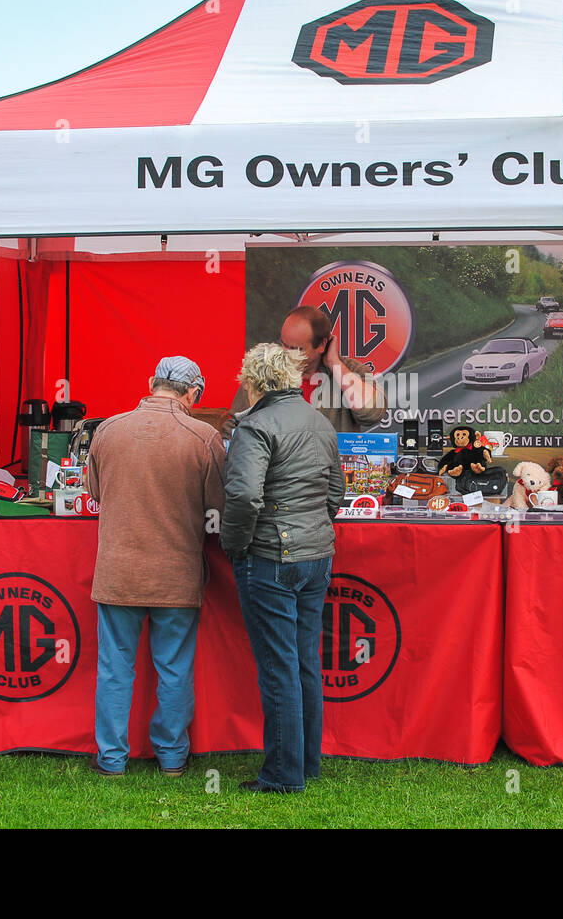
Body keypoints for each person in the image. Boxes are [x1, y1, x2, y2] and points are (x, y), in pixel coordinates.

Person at [84, 355, 225, 778]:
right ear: (193, 393)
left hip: (117, 571)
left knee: (114, 669)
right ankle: (172, 758)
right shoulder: (204, 437)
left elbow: (94, 491)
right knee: (175, 668)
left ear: (150, 383)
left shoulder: (107, 430)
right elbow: (217, 507)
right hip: (175, 572)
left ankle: (111, 759)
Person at [221, 342, 346, 793]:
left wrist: (235, 545)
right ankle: (306, 765)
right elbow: (336, 493)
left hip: (271, 556)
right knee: (304, 663)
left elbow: (243, 496)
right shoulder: (318, 421)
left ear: (252, 381)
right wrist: (314, 527)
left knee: (279, 668)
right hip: (316, 555)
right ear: (292, 378)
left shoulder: (254, 426)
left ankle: (282, 775)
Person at [223, 306, 386, 437]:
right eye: (283, 344)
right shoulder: (266, 369)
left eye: (295, 349)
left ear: (322, 345)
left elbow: (372, 414)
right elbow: (233, 427)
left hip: (330, 473)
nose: (285, 353)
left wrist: (335, 363)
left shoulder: (350, 370)